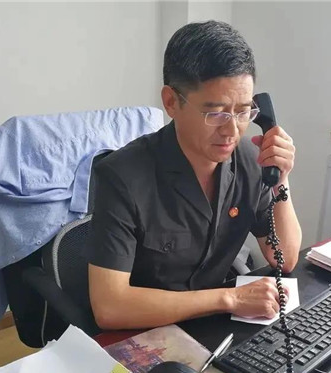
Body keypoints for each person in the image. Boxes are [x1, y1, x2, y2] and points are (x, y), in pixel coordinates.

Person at [87, 21, 302, 329]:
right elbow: (110, 307)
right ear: (171, 102)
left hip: (214, 326)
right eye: (216, 113)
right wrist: (229, 299)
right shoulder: (122, 177)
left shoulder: (250, 159)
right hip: (146, 328)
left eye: (243, 112)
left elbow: (285, 258)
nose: (232, 130)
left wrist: (280, 177)